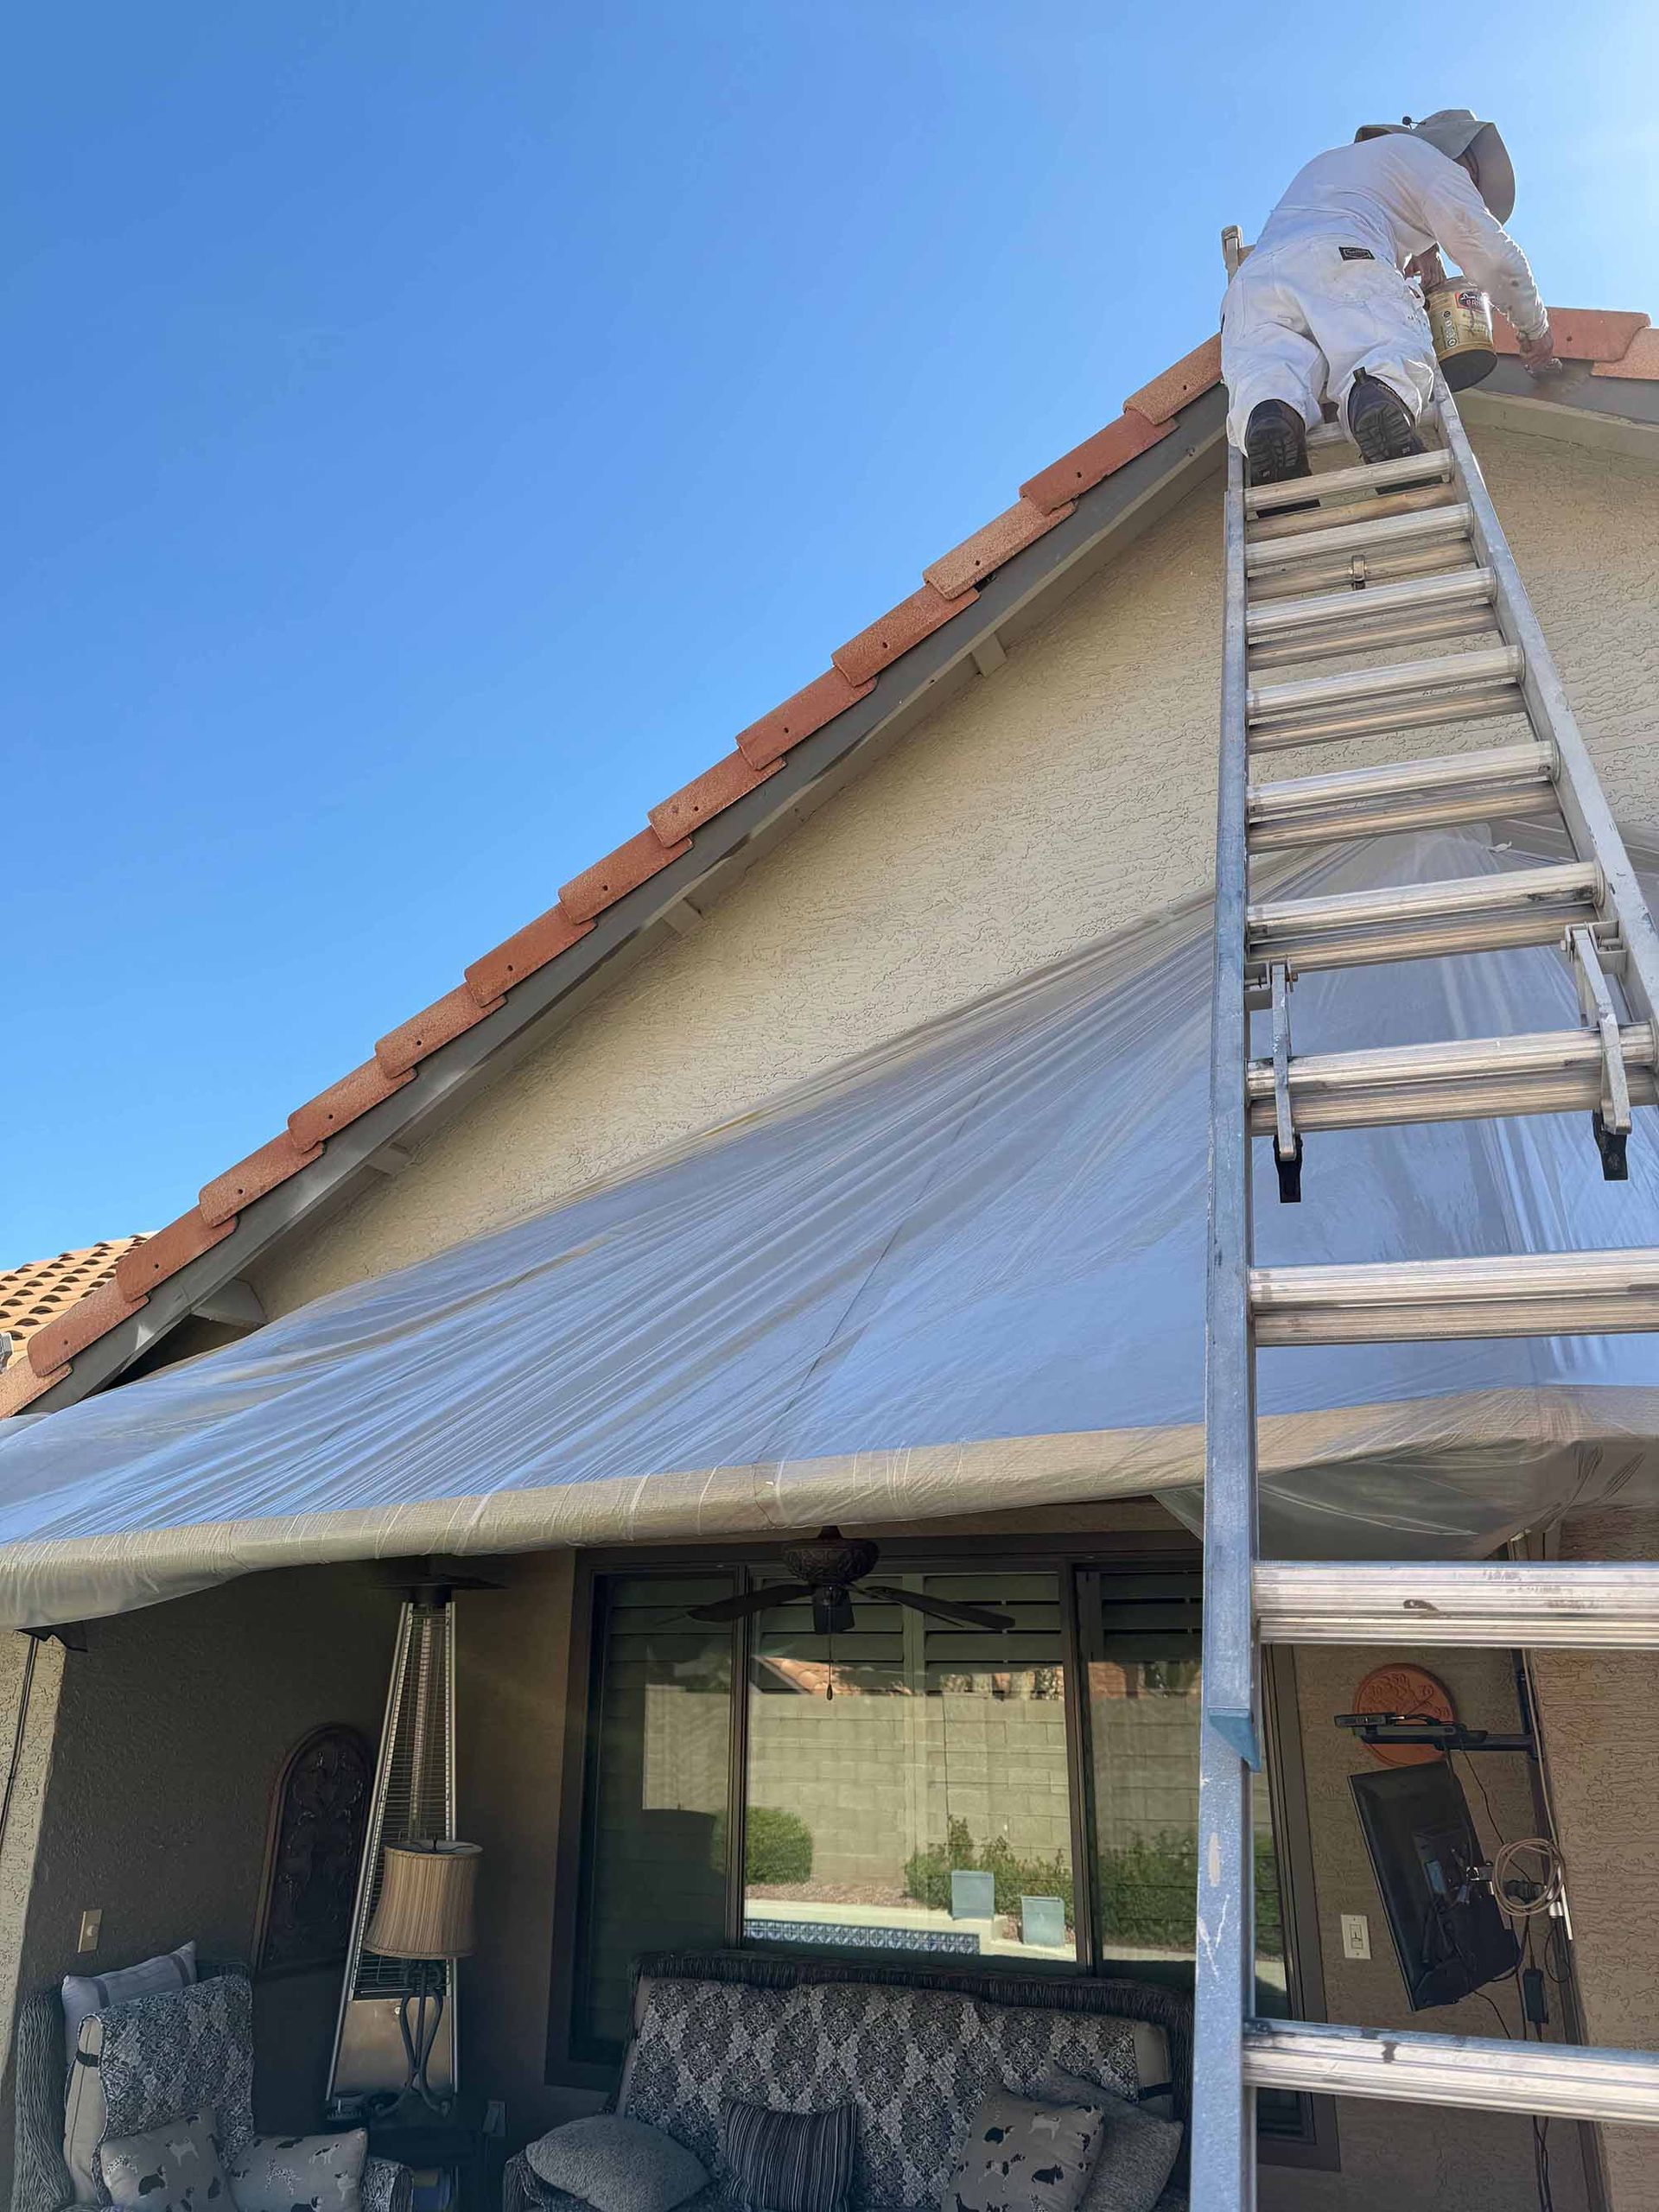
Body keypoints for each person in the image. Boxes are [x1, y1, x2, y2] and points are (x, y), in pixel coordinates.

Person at [1223, 111, 1561, 486]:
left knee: (1270, 376)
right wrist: (1535, 329)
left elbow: (1351, 218)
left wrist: (1422, 249)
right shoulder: (1431, 161)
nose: (1470, 191)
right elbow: (1492, 257)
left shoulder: (1344, 164)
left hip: (1252, 288)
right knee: (1382, 352)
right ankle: (1381, 409)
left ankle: (1273, 421)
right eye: (1472, 181)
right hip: (1344, 259)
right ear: (1458, 152)